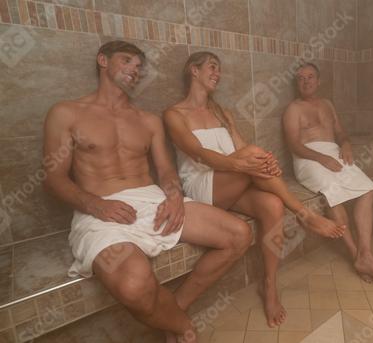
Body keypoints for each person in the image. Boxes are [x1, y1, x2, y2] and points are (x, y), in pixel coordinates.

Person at [43, 41, 252, 343]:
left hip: (152, 200)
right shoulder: (66, 113)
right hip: (100, 210)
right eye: (126, 61)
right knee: (133, 286)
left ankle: (174, 310)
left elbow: (166, 171)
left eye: (139, 66)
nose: (134, 70)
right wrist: (95, 205)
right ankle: (183, 327)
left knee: (239, 235)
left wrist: (175, 196)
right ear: (103, 61)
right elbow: (54, 178)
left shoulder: (147, 120)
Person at [164, 51, 346, 328]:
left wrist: (256, 162)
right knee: (254, 155)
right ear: (194, 70)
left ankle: (270, 286)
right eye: (212, 67)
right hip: (203, 186)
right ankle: (303, 213)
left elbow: (240, 147)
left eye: (219, 69)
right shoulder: (174, 114)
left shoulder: (220, 112)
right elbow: (198, 154)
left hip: (233, 180)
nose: (217, 73)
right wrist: (244, 163)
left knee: (272, 205)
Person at [283, 62, 373, 285]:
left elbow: (341, 132)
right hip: (308, 159)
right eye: (301, 78)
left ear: (318, 81)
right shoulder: (293, 109)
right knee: (333, 195)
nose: (305, 82)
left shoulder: (327, 104)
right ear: (297, 83)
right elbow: (293, 144)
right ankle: (356, 255)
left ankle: (366, 254)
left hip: (334, 154)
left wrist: (346, 145)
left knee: (368, 190)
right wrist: (321, 158)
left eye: (310, 77)